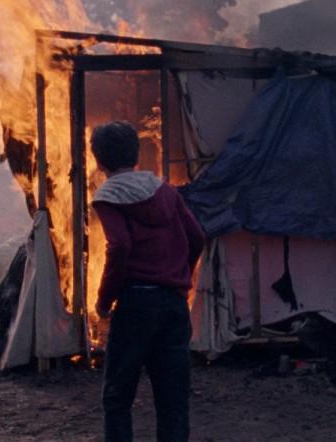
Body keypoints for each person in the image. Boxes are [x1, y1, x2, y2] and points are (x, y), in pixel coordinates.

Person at [89, 120, 205, 442]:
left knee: (117, 398)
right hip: (173, 304)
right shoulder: (165, 190)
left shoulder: (109, 196)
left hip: (136, 305)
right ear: (136, 153)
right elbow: (197, 237)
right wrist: (180, 276)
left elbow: (120, 246)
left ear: (98, 160)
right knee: (173, 401)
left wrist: (104, 300)